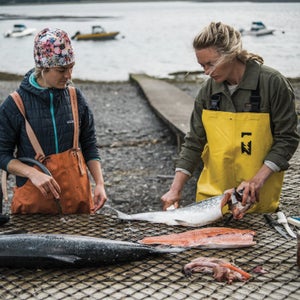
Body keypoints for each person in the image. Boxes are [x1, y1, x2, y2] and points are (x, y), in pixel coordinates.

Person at [161, 22, 299, 217]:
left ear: (232, 54)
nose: (207, 72)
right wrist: (175, 189)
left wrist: (256, 181)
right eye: (202, 66)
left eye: (211, 63)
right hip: (210, 203)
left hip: (257, 204)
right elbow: (194, 142)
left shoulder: (273, 83)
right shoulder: (207, 92)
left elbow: (287, 139)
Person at [0, 28, 107, 214]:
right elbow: (2, 155)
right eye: (61, 70)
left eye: (71, 67)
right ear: (43, 67)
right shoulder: (15, 104)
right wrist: (32, 173)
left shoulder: (75, 97)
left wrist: (99, 183)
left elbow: (89, 143)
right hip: (34, 205)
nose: (68, 76)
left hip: (77, 198)